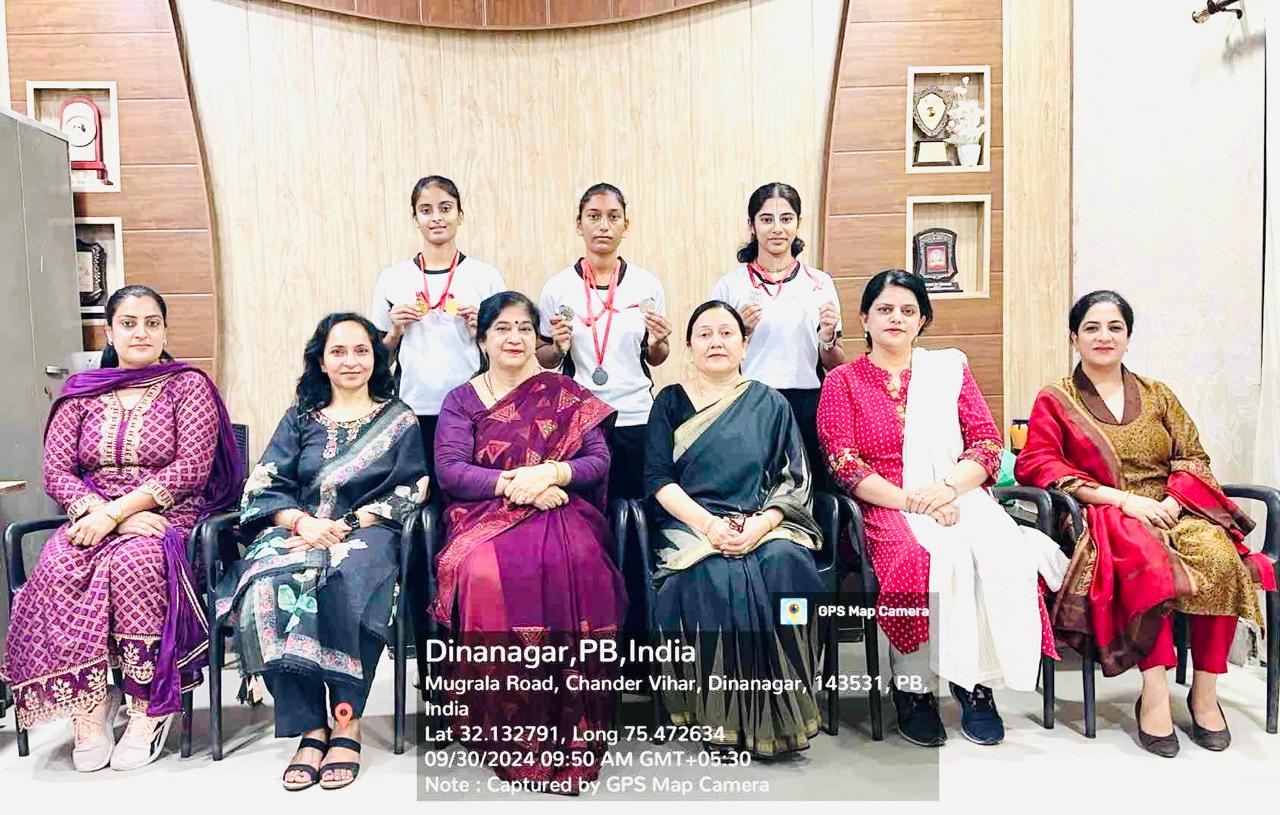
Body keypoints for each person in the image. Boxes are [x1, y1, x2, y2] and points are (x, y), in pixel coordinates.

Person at [1015, 290, 1276, 756]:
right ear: (1074, 337)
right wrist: (1122, 500)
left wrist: (1175, 500)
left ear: (1128, 336)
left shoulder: (1158, 394)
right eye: (1092, 328)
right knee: (1147, 561)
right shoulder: (1056, 398)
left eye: (1114, 327)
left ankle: (1205, 694)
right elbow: (1038, 464)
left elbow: (1193, 456)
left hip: (1174, 508)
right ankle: (1154, 691)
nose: (1104, 336)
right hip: (1103, 513)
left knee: (1218, 556)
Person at [816, 270, 1066, 748]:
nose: (896, 318)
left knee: (998, 554)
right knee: (920, 559)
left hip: (954, 492)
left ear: (922, 320)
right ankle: (913, 688)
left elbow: (986, 444)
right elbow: (844, 463)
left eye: (908, 311)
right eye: (884, 309)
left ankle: (975, 683)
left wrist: (947, 489)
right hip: (883, 503)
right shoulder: (843, 381)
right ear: (864, 319)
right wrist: (915, 502)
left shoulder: (949, 369)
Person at [0, 285, 241, 772]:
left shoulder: (188, 386)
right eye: (128, 323)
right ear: (109, 332)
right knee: (59, 563)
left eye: (152, 323)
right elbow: (57, 472)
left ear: (165, 331)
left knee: (136, 563)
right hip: (93, 517)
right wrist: (109, 514)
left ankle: (147, 707)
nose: (141, 333)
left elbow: (191, 468)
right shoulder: (82, 391)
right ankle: (89, 704)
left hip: (168, 520)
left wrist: (117, 514)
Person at [215, 313, 428, 790]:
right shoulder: (301, 418)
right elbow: (264, 485)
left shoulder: (400, 420)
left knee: (343, 581)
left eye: (361, 351)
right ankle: (310, 728)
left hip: (368, 531)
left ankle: (346, 721)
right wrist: (302, 522)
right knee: (267, 585)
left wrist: (346, 525)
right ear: (322, 361)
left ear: (376, 358)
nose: (350, 361)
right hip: (299, 526)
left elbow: (413, 487)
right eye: (339, 351)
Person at [432, 291, 626, 795]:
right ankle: (507, 726)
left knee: (581, 561)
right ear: (482, 339)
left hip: (561, 507)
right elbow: (451, 471)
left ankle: (575, 724)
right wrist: (516, 485)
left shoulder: (565, 392)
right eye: (502, 328)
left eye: (523, 328)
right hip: (484, 514)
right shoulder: (461, 400)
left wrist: (550, 474)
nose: (514, 337)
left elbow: (597, 461)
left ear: (537, 339)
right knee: (483, 573)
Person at [644, 300, 825, 756]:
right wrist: (709, 525)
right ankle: (719, 717)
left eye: (726, 333)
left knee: (787, 566)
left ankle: (791, 705)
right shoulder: (669, 403)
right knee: (715, 575)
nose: (716, 342)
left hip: (762, 520)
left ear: (744, 345)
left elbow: (794, 479)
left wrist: (760, 526)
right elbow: (658, 480)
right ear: (689, 347)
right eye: (704, 334)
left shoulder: (771, 403)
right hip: (690, 522)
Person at [537, 182, 672, 501]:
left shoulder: (647, 285)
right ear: (579, 224)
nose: (603, 225)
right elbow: (544, 357)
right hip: (581, 417)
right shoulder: (557, 287)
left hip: (635, 414)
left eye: (613, 216)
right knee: (587, 509)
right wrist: (557, 347)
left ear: (626, 225)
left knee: (636, 507)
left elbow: (656, 356)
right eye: (594, 216)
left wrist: (658, 343)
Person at [710, 183, 845, 489]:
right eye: (766, 219)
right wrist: (739, 331)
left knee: (808, 490)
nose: (777, 229)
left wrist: (827, 338)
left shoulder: (820, 282)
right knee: (752, 490)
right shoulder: (730, 285)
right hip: (748, 401)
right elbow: (712, 359)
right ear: (751, 225)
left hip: (808, 404)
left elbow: (834, 363)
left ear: (798, 223)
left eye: (786, 219)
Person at [371, 175, 506, 472]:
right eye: (426, 210)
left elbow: (507, 353)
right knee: (419, 489)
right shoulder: (393, 278)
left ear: (460, 215)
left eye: (445, 208)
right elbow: (378, 361)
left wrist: (481, 333)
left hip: (474, 407)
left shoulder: (486, 276)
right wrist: (394, 332)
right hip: (412, 407)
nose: (436, 218)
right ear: (415, 219)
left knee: (466, 487)